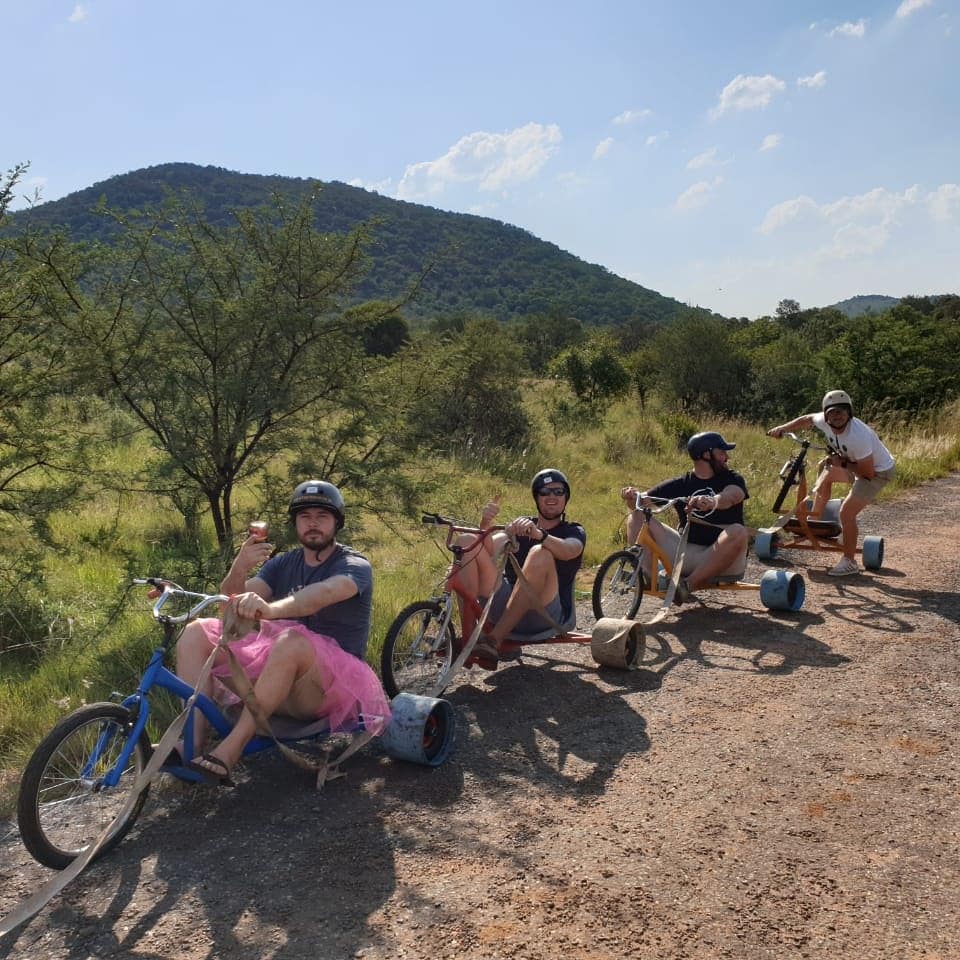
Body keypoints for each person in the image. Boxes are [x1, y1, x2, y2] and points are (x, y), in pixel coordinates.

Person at [173, 480, 391, 784]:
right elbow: (231, 606)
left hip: (330, 687)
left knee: (291, 640)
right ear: (295, 524)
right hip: (281, 671)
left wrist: (271, 609)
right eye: (305, 517)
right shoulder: (283, 563)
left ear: (337, 523)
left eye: (322, 517)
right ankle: (192, 741)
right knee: (197, 631)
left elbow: (324, 593)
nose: (312, 523)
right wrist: (239, 568)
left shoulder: (354, 565)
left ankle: (229, 753)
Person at [460, 469, 586, 666]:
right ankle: (467, 637)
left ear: (566, 497)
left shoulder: (573, 530)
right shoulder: (521, 526)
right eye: (545, 492)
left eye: (558, 491)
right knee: (466, 542)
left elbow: (570, 550)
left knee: (540, 553)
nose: (551, 496)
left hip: (544, 615)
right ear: (537, 497)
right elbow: (486, 551)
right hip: (504, 608)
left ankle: (493, 640)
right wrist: (485, 523)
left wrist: (539, 535)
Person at [767, 390, 895, 577]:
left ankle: (849, 562)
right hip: (854, 463)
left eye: (842, 411)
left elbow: (867, 473)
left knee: (847, 512)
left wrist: (842, 463)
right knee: (824, 469)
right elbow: (807, 418)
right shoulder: (823, 421)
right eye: (832, 412)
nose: (837, 416)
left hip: (877, 473)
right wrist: (783, 429)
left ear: (849, 413)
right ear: (826, 415)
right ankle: (816, 522)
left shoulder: (857, 436)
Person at [619, 431, 749, 603]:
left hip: (722, 559)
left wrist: (713, 501)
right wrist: (632, 496)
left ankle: (686, 587)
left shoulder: (732, 479)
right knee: (637, 515)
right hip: (684, 552)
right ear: (706, 455)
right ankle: (650, 578)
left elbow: (732, 496)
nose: (727, 457)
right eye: (722, 452)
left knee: (738, 531)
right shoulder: (682, 483)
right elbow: (643, 501)